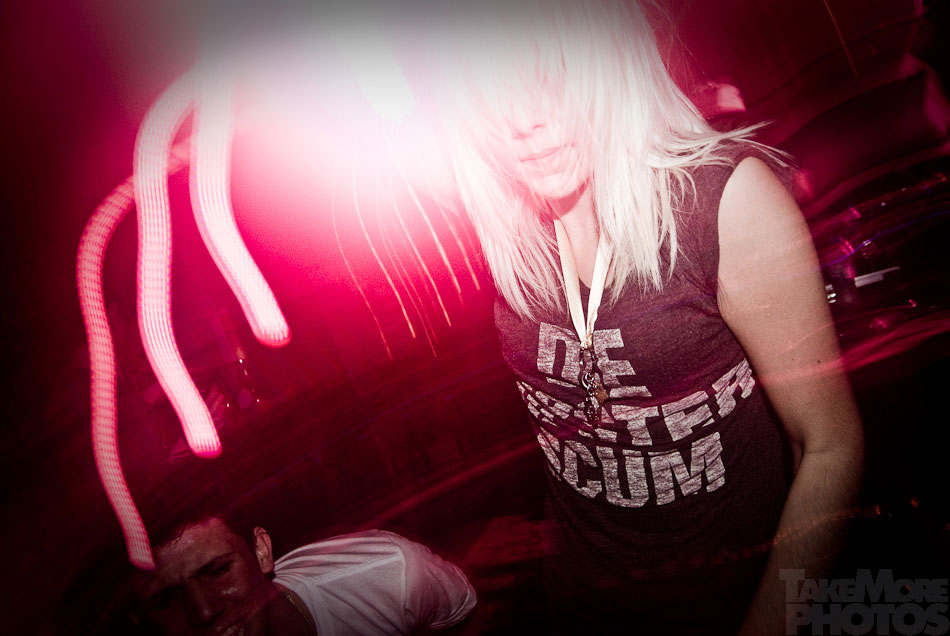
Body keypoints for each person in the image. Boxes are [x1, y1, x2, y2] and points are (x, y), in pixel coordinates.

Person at [427, 0, 864, 633]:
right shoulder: (506, 235)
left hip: (730, 605)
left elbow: (829, 445)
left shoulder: (721, 202)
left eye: (554, 76)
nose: (524, 120)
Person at [129, 480, 477, 635]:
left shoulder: (388, 575)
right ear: (139, 621)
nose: (203, 611)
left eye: (219, 571)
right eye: (164, 601)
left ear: (261, 552)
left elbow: (463, 621)